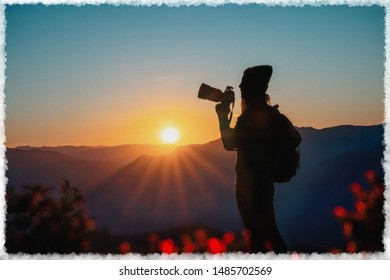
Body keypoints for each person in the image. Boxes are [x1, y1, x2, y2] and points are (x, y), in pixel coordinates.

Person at [215, 65, 287, 253]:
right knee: (268, 231)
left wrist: (223, 117)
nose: (239, 86)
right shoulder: (264, 112)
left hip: (251, 185)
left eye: (244, 83)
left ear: (253, 87)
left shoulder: (253, 116)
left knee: (260, 234)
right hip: (262, 182)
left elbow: (230, 144)